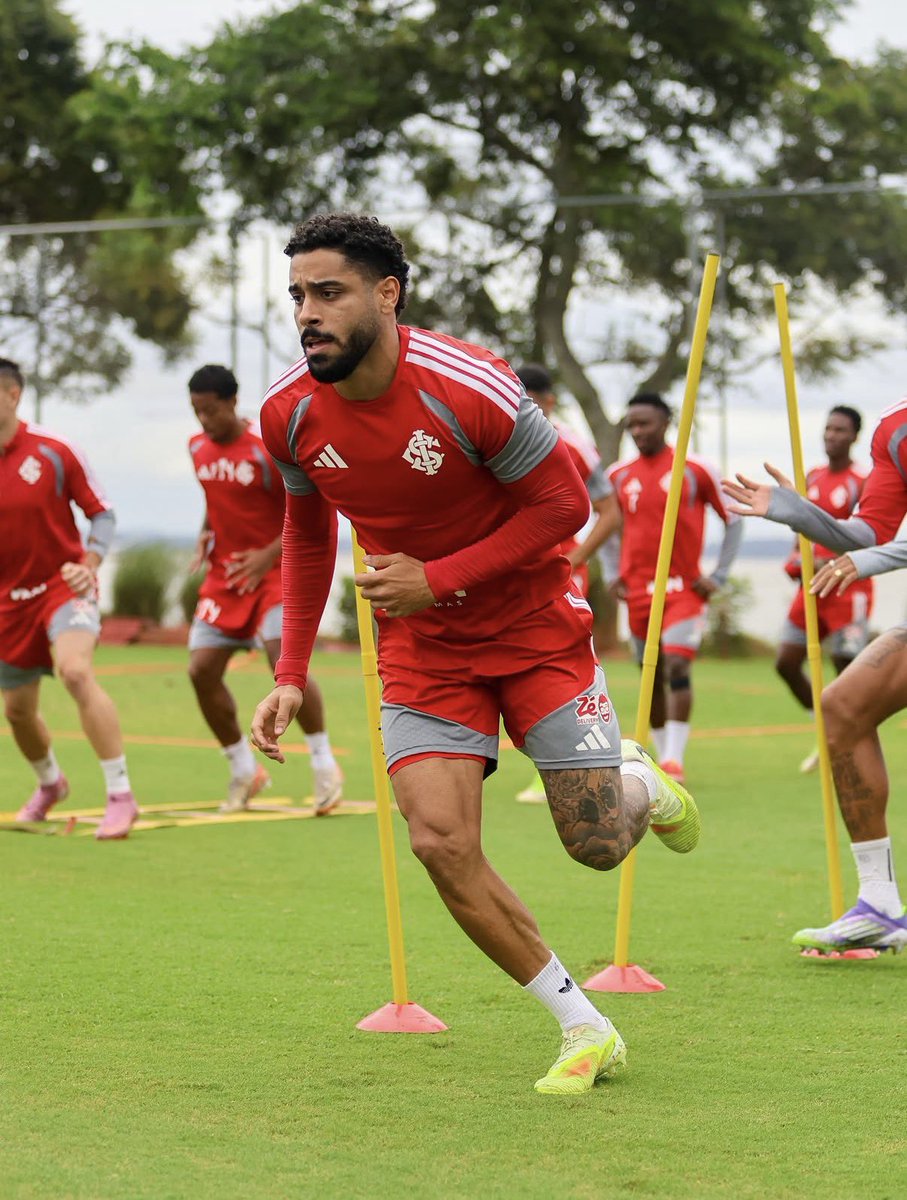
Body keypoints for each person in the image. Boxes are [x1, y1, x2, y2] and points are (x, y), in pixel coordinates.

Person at [250, 212, 700, 1095]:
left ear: (388, 293)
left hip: (534, 626)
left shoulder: (471, 386)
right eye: (298, 295)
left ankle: (638, 779)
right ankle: (583, 1024)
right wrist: (290, 674)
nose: (308, 313)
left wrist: (438, 577)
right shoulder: (289, 412)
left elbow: (563, 509)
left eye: (328, 292)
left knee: (599, 842)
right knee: (437, 840)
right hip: (423, 652)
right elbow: (306, 536)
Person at [723, 396, 907, 953]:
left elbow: (869, 556)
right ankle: (880, 904)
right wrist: (794, 509)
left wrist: (868, 563)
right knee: (844, 707)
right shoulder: (893, 428)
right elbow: (868, 531)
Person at [186, 364, 342, 814]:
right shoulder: (196, 447)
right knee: (200, 670)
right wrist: (205, 531)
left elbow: (308, 509)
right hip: (226, 579)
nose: (204, 421)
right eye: (196, 412)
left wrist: (267, 554)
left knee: (282, 658)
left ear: (232, 403)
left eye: (210, 410)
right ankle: (243, 770)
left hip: (275, 573)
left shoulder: (264, 448)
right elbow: (215, 500)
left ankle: (324, 765)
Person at [0, 357, 138, 839]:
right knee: (16, 711)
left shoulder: (56, 451)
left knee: (76, 672)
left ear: (12, 395)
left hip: (64, 586)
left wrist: (90, 565)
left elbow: (102, 515)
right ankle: (50, 783)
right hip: (8, 604)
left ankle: (121, 796)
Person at [607, 393, 742, 784]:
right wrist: (614, 569)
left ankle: (673, 758)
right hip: (637, 592)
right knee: (651, 670)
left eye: (644, 423)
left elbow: (733, 520)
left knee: (678, 663)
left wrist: (719, 574)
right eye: (631, 425)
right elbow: (608, 524)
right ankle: (661, 755)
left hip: (683, 589)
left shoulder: (696, 469)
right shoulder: (619, 474)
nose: (637, 432)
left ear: (665, 423)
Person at [512, 364, 621, 804]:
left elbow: (610, 511)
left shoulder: (573, 444)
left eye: (529, 397)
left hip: (561, 574)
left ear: (549, 401)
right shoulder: (494, 434)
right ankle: (553, 765)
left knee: (568, 668)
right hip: (512, 575)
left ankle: (589, 760)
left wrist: (576, 558)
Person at [774, 406, 873, 773]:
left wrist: (828, 561)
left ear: (854, 436)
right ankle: (829, 726)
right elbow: (799, 526)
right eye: (828, 428)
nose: (831, 435)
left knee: (845, 667)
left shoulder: (862, 480)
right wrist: (794, 559)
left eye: (840, 429)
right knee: (786, 663)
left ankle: (848, 740)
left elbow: (871, 534)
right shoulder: (812, 475)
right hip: (811, 588)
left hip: (849, 587)